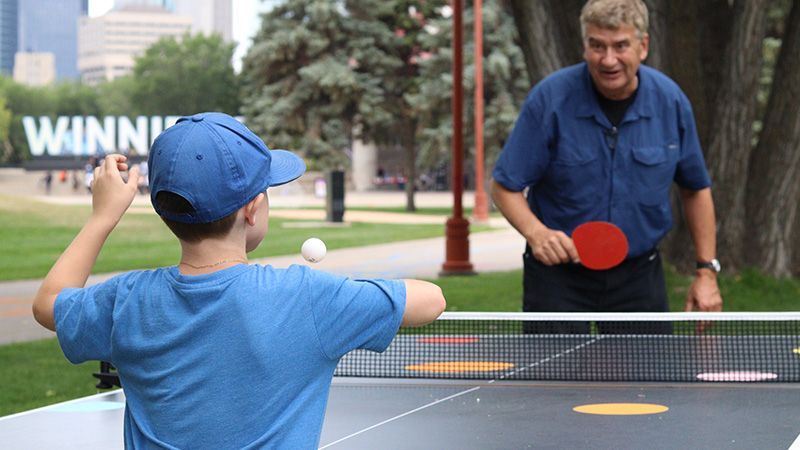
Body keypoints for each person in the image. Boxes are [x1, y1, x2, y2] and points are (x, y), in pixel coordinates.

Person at [32, 112, 446, 448]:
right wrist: (342, 293)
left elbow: (49, 304)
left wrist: (103, 217)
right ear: (252, 210)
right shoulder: (308, 298)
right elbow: (431, 300)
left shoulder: (126, 301)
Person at [491, 0, 722, 333]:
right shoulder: (550, 99)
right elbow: (504, 186)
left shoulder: (671, 102)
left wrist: (706, 272)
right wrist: (536, 232)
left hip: (639, 276)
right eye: (597, 46)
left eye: (620, 46)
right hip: (558, 279)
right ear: (585, 46)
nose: (608, 59)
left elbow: (696, 189)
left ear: (643, 47)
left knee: (649, 384)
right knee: (551, 385)